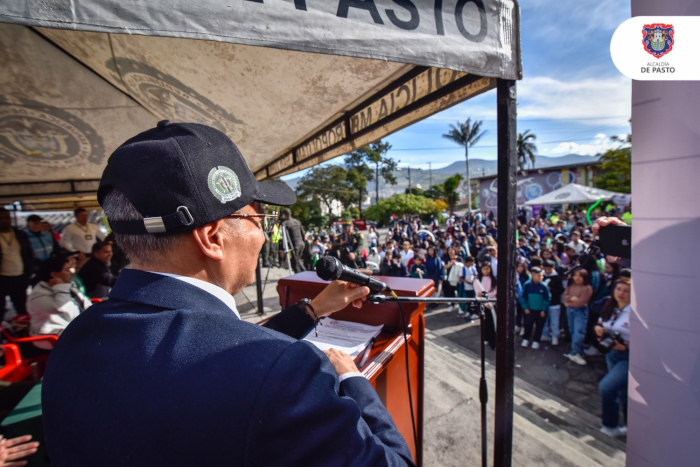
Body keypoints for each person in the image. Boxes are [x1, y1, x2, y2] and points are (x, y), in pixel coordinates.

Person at [42, 122, 413, 466]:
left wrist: (314, 310)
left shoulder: (77, 336)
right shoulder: (286, 374)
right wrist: (354, 381)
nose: (265, 236)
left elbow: (207, 352)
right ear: (213, 238)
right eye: (260, 220)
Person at [27, 255, 92, 350]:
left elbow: (84, 303)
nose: (71, 272)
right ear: (54, 274)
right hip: (51, 338)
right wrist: (60, 286)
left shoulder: (67, 285)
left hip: (74, 329)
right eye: (66, 270)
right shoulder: (37, 296)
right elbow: (61, 308)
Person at [595, 280, 631, 437]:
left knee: (607, 387)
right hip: (611, 355)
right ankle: (630, 426)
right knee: (623, 392)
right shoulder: (611, 307)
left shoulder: (635, 313)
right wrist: (597, 329)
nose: (621, 293)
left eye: (626, 291)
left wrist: (626, 347)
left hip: (627, 358)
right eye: (618, 289)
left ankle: (610, 426)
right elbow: (601, 324)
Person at [0, 208, 33, 320]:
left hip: (19, 277)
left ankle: (22, 331)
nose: (4, 220)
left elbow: (28, 254)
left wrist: (28, 273)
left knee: (22, 307)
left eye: (7, 217)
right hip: (2, 278)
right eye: (1, 218)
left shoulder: (20, 234)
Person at [562, 268, 593, 365]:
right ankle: (576, 351)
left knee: (579, 332)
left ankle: (575, 353)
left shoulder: (587, 288)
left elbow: (581, 302)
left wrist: (568, 302)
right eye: (575, 275)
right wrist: (571, 298)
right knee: (572, 331)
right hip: (570, 311)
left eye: (580, 276)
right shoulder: (571, 285)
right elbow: (565, 295)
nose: (577, 278)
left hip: (580, 311)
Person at [519, 267, 551, 349]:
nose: (541, 278)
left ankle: (536, 341)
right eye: (538, 276)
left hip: (540, 311)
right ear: (532, 276)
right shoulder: (527, 285)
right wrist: (525, 307)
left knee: (539, 326)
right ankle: (526, 339)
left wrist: (544, 309)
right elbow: (523, 297)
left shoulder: (544, 286)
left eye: (541, 276)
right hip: (529, 310)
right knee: (528, 325)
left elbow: (547, 299)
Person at [540, 259, 564, 346]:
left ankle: (555, 336)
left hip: (555, 303)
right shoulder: (542, 276)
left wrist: (550, 289)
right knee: (544, 320)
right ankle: (544, 334)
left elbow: (561, 290)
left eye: (549, 269)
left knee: (554, 321)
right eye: (545, 269)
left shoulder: (557, 277)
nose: (547, 271)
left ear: (553, 268)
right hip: (544, 303)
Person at [280, 208, 306, 273]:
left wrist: (282, 248)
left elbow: (285, 237)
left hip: (294, 245)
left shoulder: (287, 223)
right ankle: (302, 273)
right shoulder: (297, 221)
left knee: (296, 261)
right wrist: (304, 242)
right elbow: (303, 233)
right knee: (298, 260)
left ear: (285, 214)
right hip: (301, 243)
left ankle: (302, 274)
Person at [442, 247, 463, 312]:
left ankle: (461, 306)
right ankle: (452, 305)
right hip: (450, 278)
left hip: (458, 278)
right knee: (451, 292)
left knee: (460, 293)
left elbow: (462, 266)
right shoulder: (447, 258)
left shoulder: (459, 258)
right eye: (449, 250)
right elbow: (445, 267)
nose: (450, 251)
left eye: (452, 250)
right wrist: (450, 264)